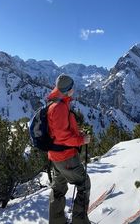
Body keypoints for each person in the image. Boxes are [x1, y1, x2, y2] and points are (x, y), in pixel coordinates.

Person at [47, 74, 91, 224]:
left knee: (58, 188)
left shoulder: (57, 102)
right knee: (84, 183)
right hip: (65, 156)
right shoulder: (59, 107)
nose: (74, 89)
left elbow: (60, 131)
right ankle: (80, 222)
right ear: (69, 89)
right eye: (73, 87)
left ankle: (56, 221)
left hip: (56, 156)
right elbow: (62, 137)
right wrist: (81, 140)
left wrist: (78, 134)